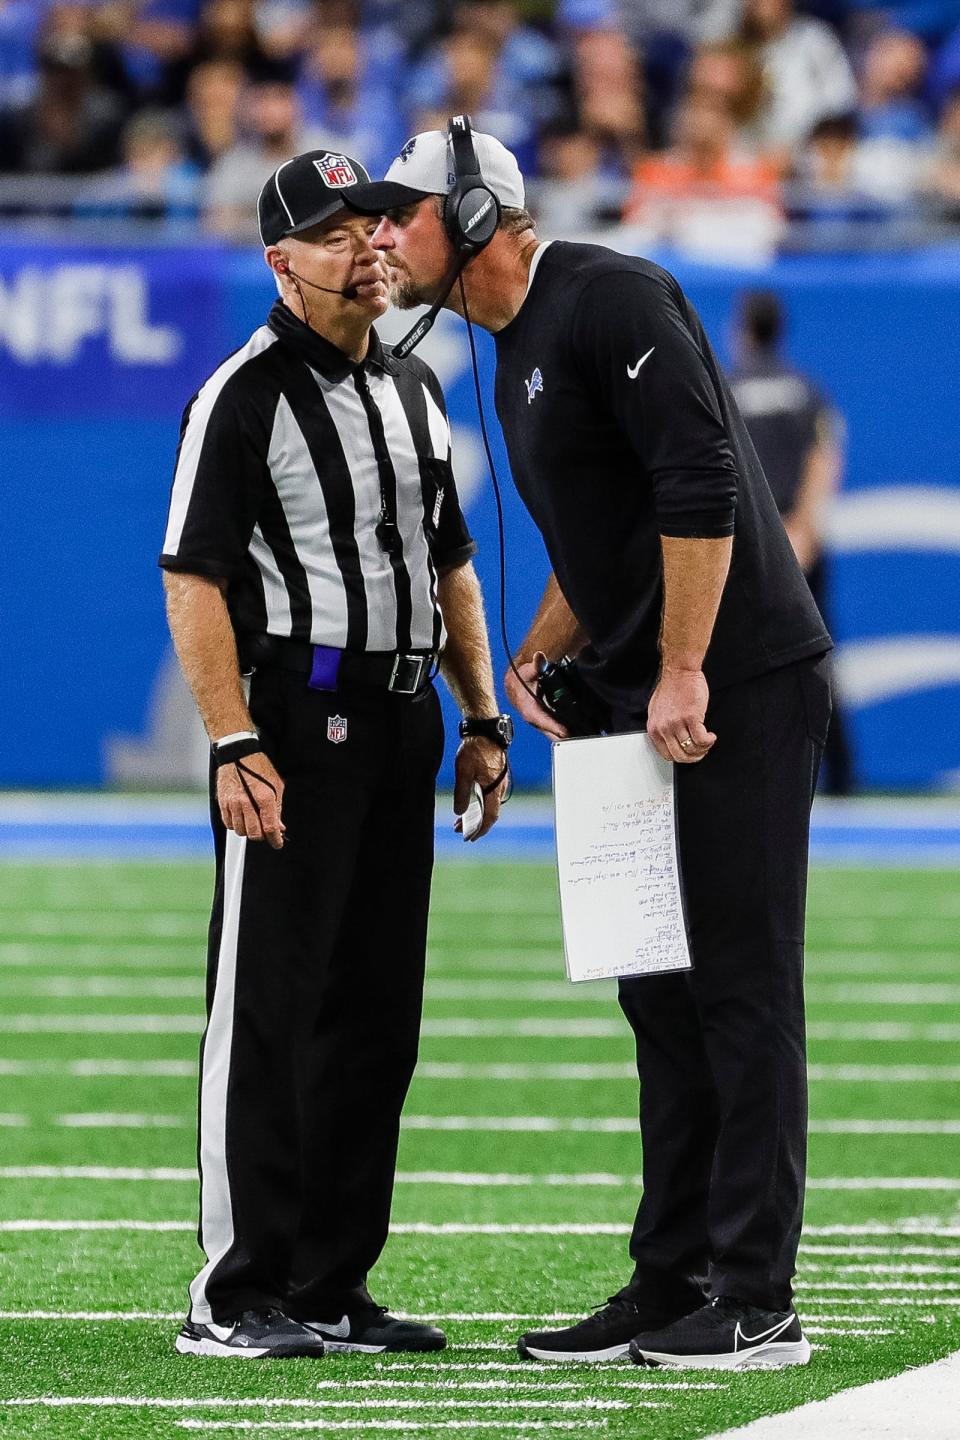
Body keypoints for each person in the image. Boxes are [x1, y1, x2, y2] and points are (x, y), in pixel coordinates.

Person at [343, 120, 832, 1371]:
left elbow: (700, 483)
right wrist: (531, 652)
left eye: (404, 212)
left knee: (739, 983)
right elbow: (592, 531)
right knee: (655, 995)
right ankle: (668, 1282)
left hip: (734, 684)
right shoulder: (511, 347)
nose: (387, 235)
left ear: (471, 212)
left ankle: (758, 1295)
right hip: (633, 696)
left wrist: (678, 667)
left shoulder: (611, 296)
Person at [160, 148, 513, 1360]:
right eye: (331, 232)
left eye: (369, 223)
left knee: (375, 1018)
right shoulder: (243, 392)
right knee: (266, 1009)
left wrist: (479, 715)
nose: (364, 245)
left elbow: (449, 562)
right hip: (295, 726)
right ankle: (234, 1287)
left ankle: (328, 1281)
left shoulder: (415, 391)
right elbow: (193, 576)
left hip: (404, 720)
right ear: (279, 261)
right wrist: (232, 737)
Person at [729, 289, 854, 794]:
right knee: (816, 657)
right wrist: (804, 526)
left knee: (740, 661)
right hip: (798, 538)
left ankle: (756, 770)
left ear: (743, 328)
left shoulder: (729, 387)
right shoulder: (805, 390)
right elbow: (825, 458)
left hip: (748, 543)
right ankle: (839, 775)